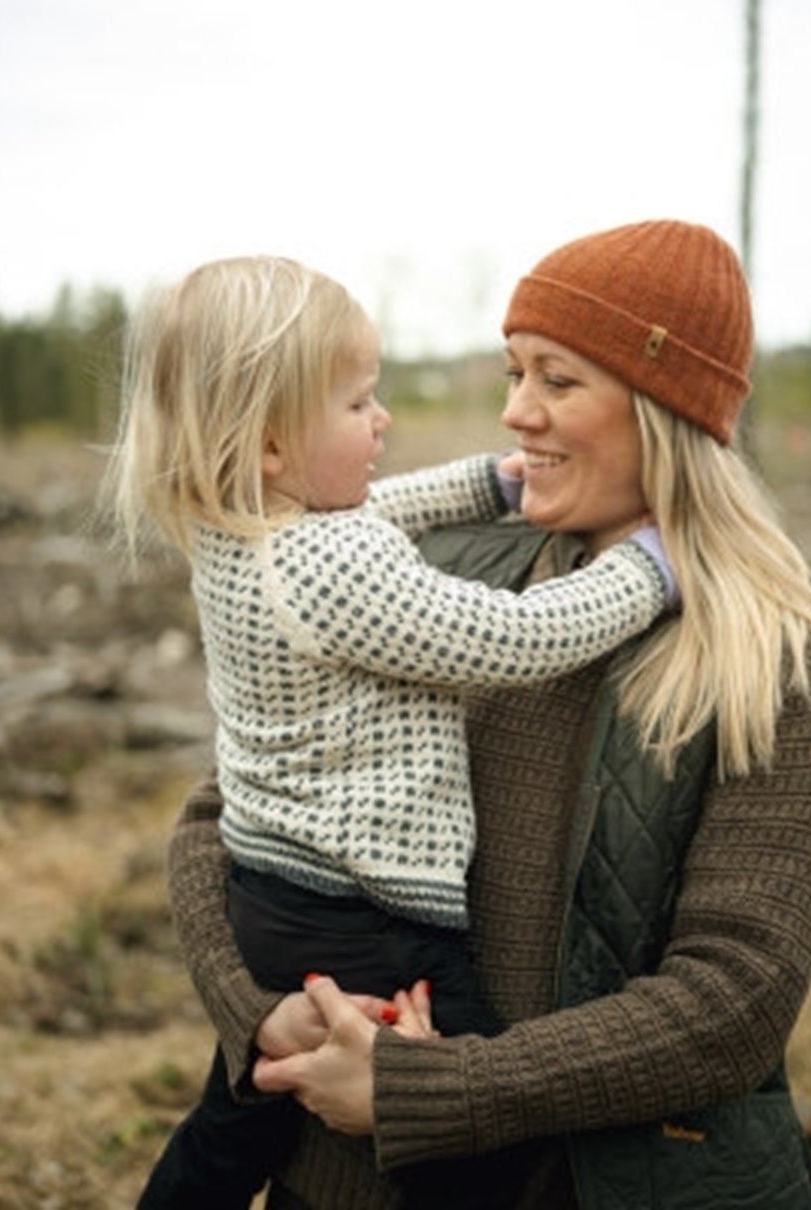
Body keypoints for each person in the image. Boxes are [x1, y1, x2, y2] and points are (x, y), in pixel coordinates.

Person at [163, 223, 811, 1210]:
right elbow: (224, 814)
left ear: (660, 409)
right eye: (513, 374)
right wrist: (258, 1017)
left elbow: (731, 1003)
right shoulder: (441, 571)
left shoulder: (770, 659)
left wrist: (432, 1089)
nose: (515, 413)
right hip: (337, 1173)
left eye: (556, 380)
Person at [104, 254, 679, 1210]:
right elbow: (513, 637)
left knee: (239, 1119)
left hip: (276, 894)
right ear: (274, 446)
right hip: (369, 913)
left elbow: (387, 505)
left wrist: (494, 486)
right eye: (360, 405)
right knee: (473, 1141)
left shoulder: (250, 527)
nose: (383, 425)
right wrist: (647, 573)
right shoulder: (329, 573)